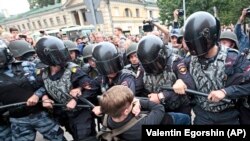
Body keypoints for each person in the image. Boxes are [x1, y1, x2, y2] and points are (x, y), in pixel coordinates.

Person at [176, 11, 250, 125]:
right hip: (202, 116)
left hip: (228, 116)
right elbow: (179, 71)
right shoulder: (190, 60)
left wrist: (226, 92)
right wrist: (180, 80)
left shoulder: (234, 58)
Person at [35, 36, 98, 140]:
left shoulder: (72, 70)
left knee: (85, 137)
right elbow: (39, 87)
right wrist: (45, 98)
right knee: (74, 135)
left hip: (80, 112)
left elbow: (91, 86)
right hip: (63, 113)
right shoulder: (42, 73)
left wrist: (76, 97)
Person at [0, 42, 65, 141]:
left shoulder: (27, 66)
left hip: (40, 115)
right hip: (17, 120)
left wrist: (37, 95)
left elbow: (46, 82)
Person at [137, 35, 193, 125]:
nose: (152, 68)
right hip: (159, 111)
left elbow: (189, 85)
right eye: (148, 65)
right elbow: (137, 87)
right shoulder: (144, 67)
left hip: (179, 109)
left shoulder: (176, 62)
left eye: (155, 63)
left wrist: (162, 96)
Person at [93, 85, 165, 141]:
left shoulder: (106, 116)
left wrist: (102, 109)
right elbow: (159, 108)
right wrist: (139, 102)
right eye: (132, 102)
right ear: (126, 111)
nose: (133, 101)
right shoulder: (142, 125)